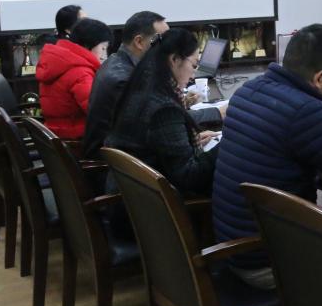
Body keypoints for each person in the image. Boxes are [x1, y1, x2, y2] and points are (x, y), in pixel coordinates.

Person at [212, 24, 322, 290]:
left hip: (232, 246)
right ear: (320, 78)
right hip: (268, 259)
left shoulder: (247, 90)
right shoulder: (306, 111)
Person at [82, 11, 222, 160]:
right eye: (161, 40)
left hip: (124, 160)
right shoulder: (126, 79)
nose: (170, 46)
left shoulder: (115, 62)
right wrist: (218, 113)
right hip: (107, 164)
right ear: (139, 42)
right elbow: (164, 118)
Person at [104, 28, 219, 198]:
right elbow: (190, 176)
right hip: (156, 204)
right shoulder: (164, 109)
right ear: (174, 59)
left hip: (129, 196)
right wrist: (226, 146)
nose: (193, 75)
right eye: (194, 65)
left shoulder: (140, 88)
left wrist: (187, 141)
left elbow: (153, 144)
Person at [36, 18, 112, 140]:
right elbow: (98, 112)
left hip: (56, 134)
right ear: (88, 45)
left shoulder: (59, 61)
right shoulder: (80, 73)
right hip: (76, 139)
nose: (105, 56)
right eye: (103, 48)